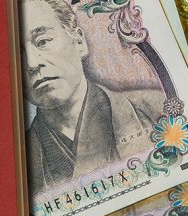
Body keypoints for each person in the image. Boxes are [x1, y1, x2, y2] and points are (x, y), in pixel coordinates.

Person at [21, 0, 165, 195]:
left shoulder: (156, 110)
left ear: (79, 42)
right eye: (15, 55)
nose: (31, 63)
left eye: (43, 41)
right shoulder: (18, 163)